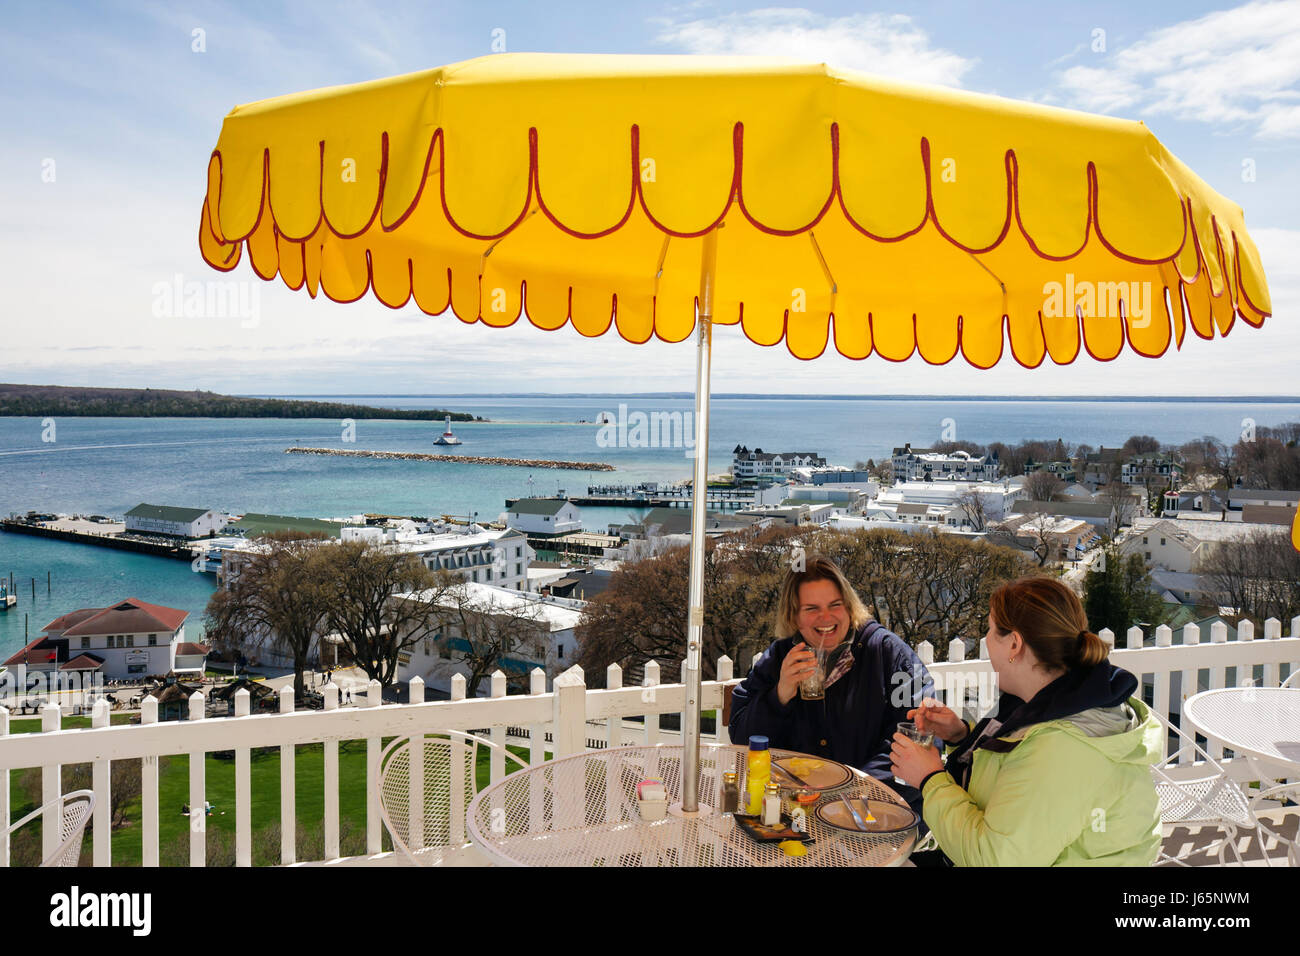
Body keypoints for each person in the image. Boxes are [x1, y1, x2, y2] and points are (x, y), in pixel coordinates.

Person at [890, 574, 1163, 866]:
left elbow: (996, 859)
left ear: (1015, 644)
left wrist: (930, 778)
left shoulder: (1063, 747)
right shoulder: (1059, 700)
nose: (985, 640)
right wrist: (960, 736)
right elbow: (1014, 780)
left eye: (992, 630)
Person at [729, 554, 940, 815]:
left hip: (876, 812)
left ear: (849, 607)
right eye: (811, 608)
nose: (825, 617)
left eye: (835, 605)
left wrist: (849, 792)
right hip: (798, 812)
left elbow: (918, 735)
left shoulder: (887, 654)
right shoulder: (779, 658)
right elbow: (741, 740)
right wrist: (779, 695)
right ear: (793, 616)